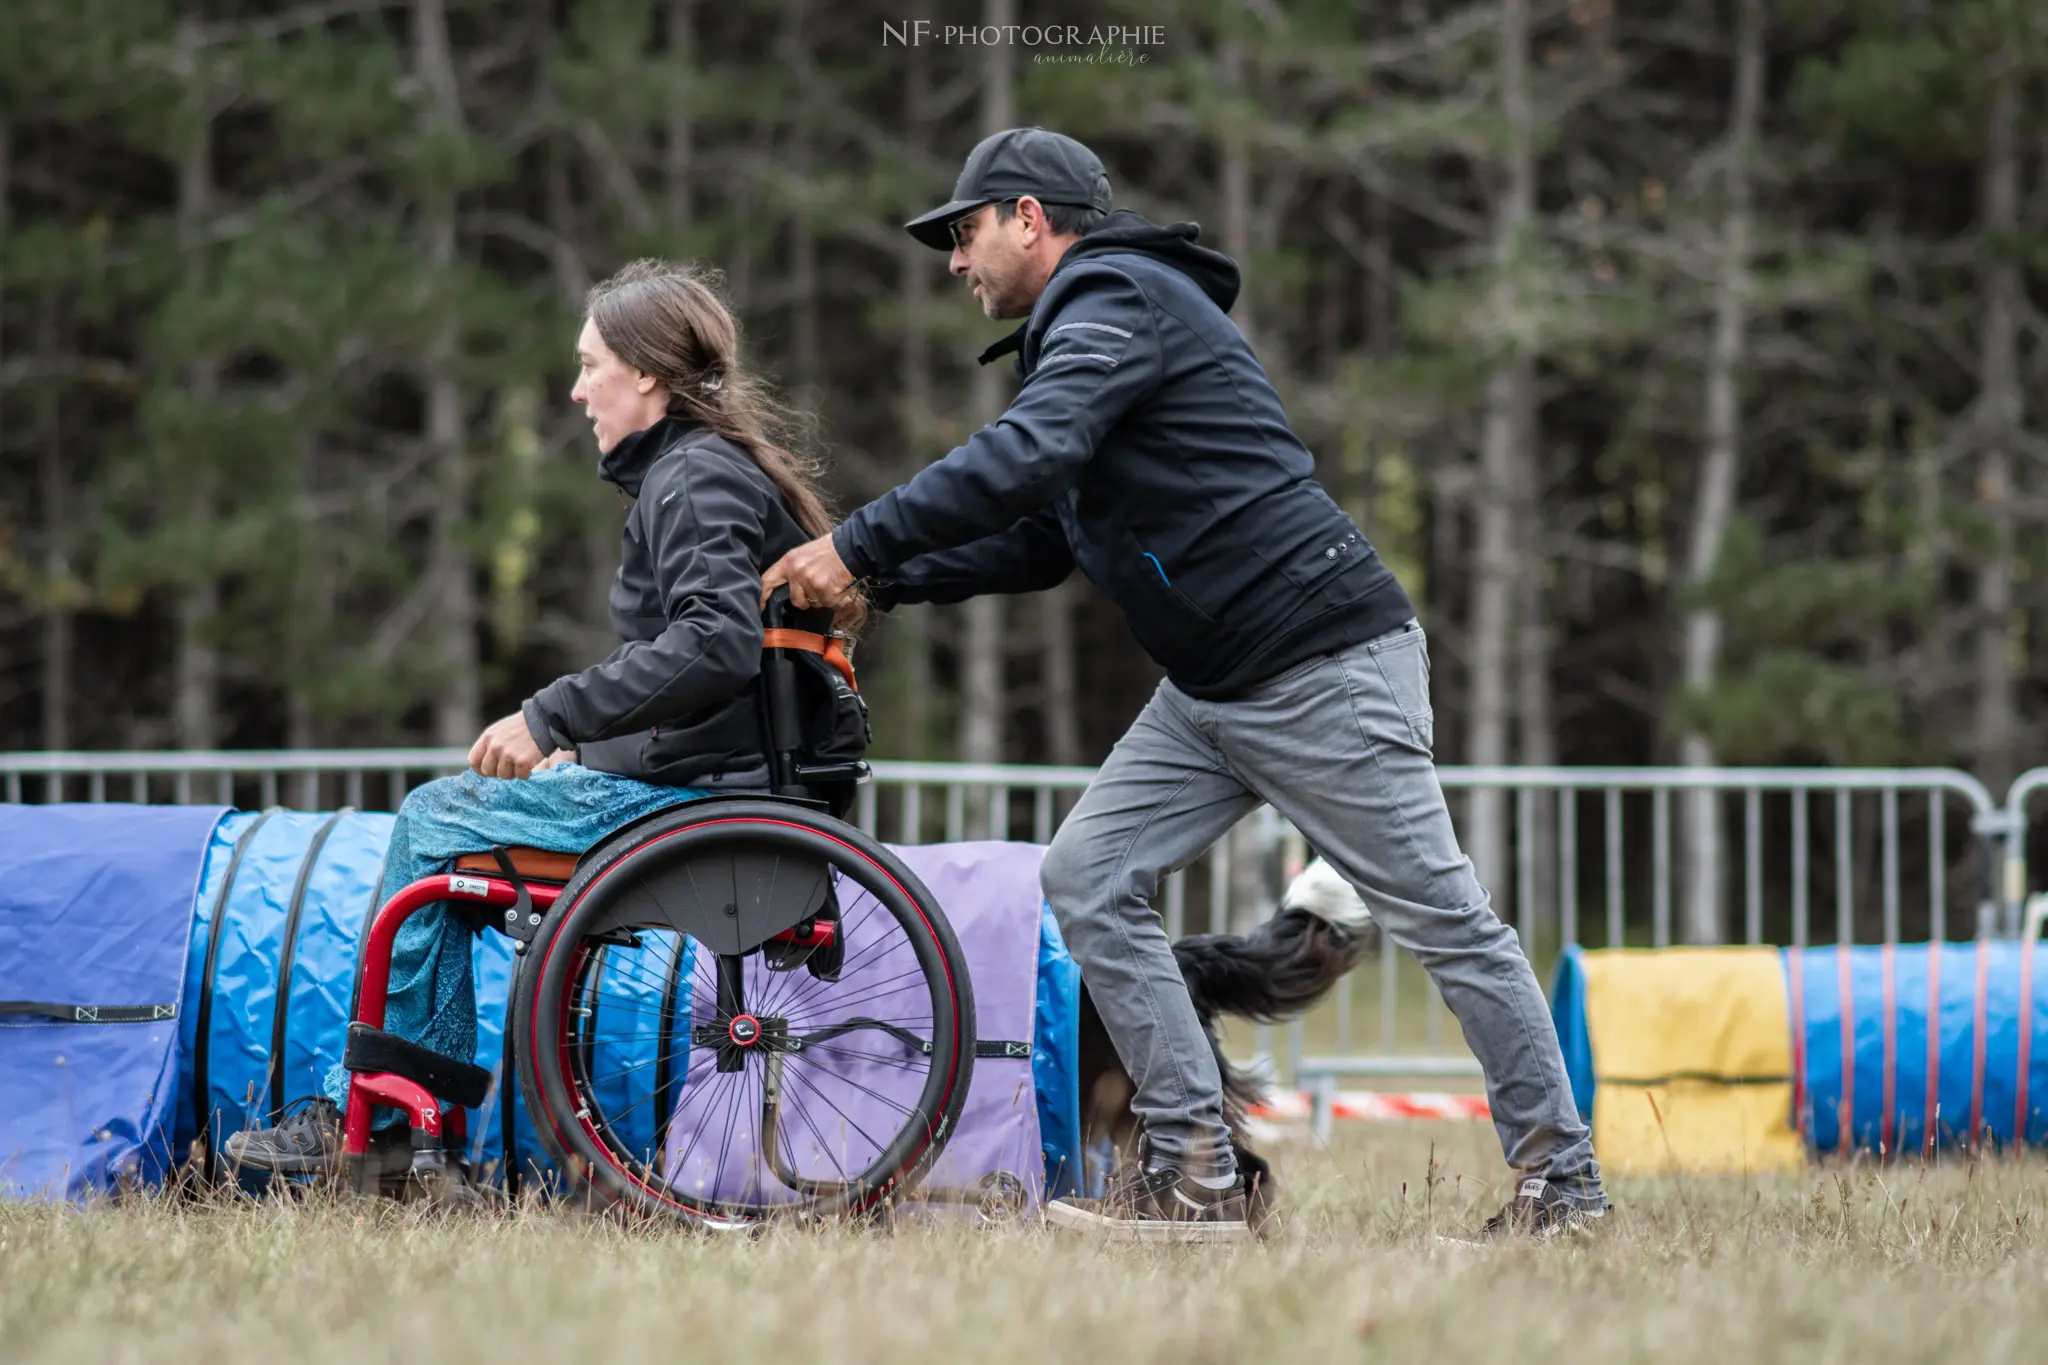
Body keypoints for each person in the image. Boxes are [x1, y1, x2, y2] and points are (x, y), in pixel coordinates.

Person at [763, 127, 1608, 1242]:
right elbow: (1042, 540)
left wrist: (857, 544)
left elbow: (1027, 455)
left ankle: (1564, 1187)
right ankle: (1193, 1170)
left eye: (961, 234)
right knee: (1086, 874)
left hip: (1320, 664)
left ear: (1027, 216)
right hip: (1211, 692)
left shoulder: (1119, 297)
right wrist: (889, 581)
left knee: (1445, 925)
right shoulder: (1077, 337)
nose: (953, 262)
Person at [226, 259, 857, 1176]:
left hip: (700, 804)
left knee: (435, 818)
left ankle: (383, 1119)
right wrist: (595, 753)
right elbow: (711, 676)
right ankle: (405, 1117)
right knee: (451, 836)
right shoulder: (706, 471)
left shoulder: (693, 477)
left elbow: (714, 646)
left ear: (645, 373)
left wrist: (550, 717)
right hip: (710, 782)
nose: (575, 389)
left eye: (589, 363)